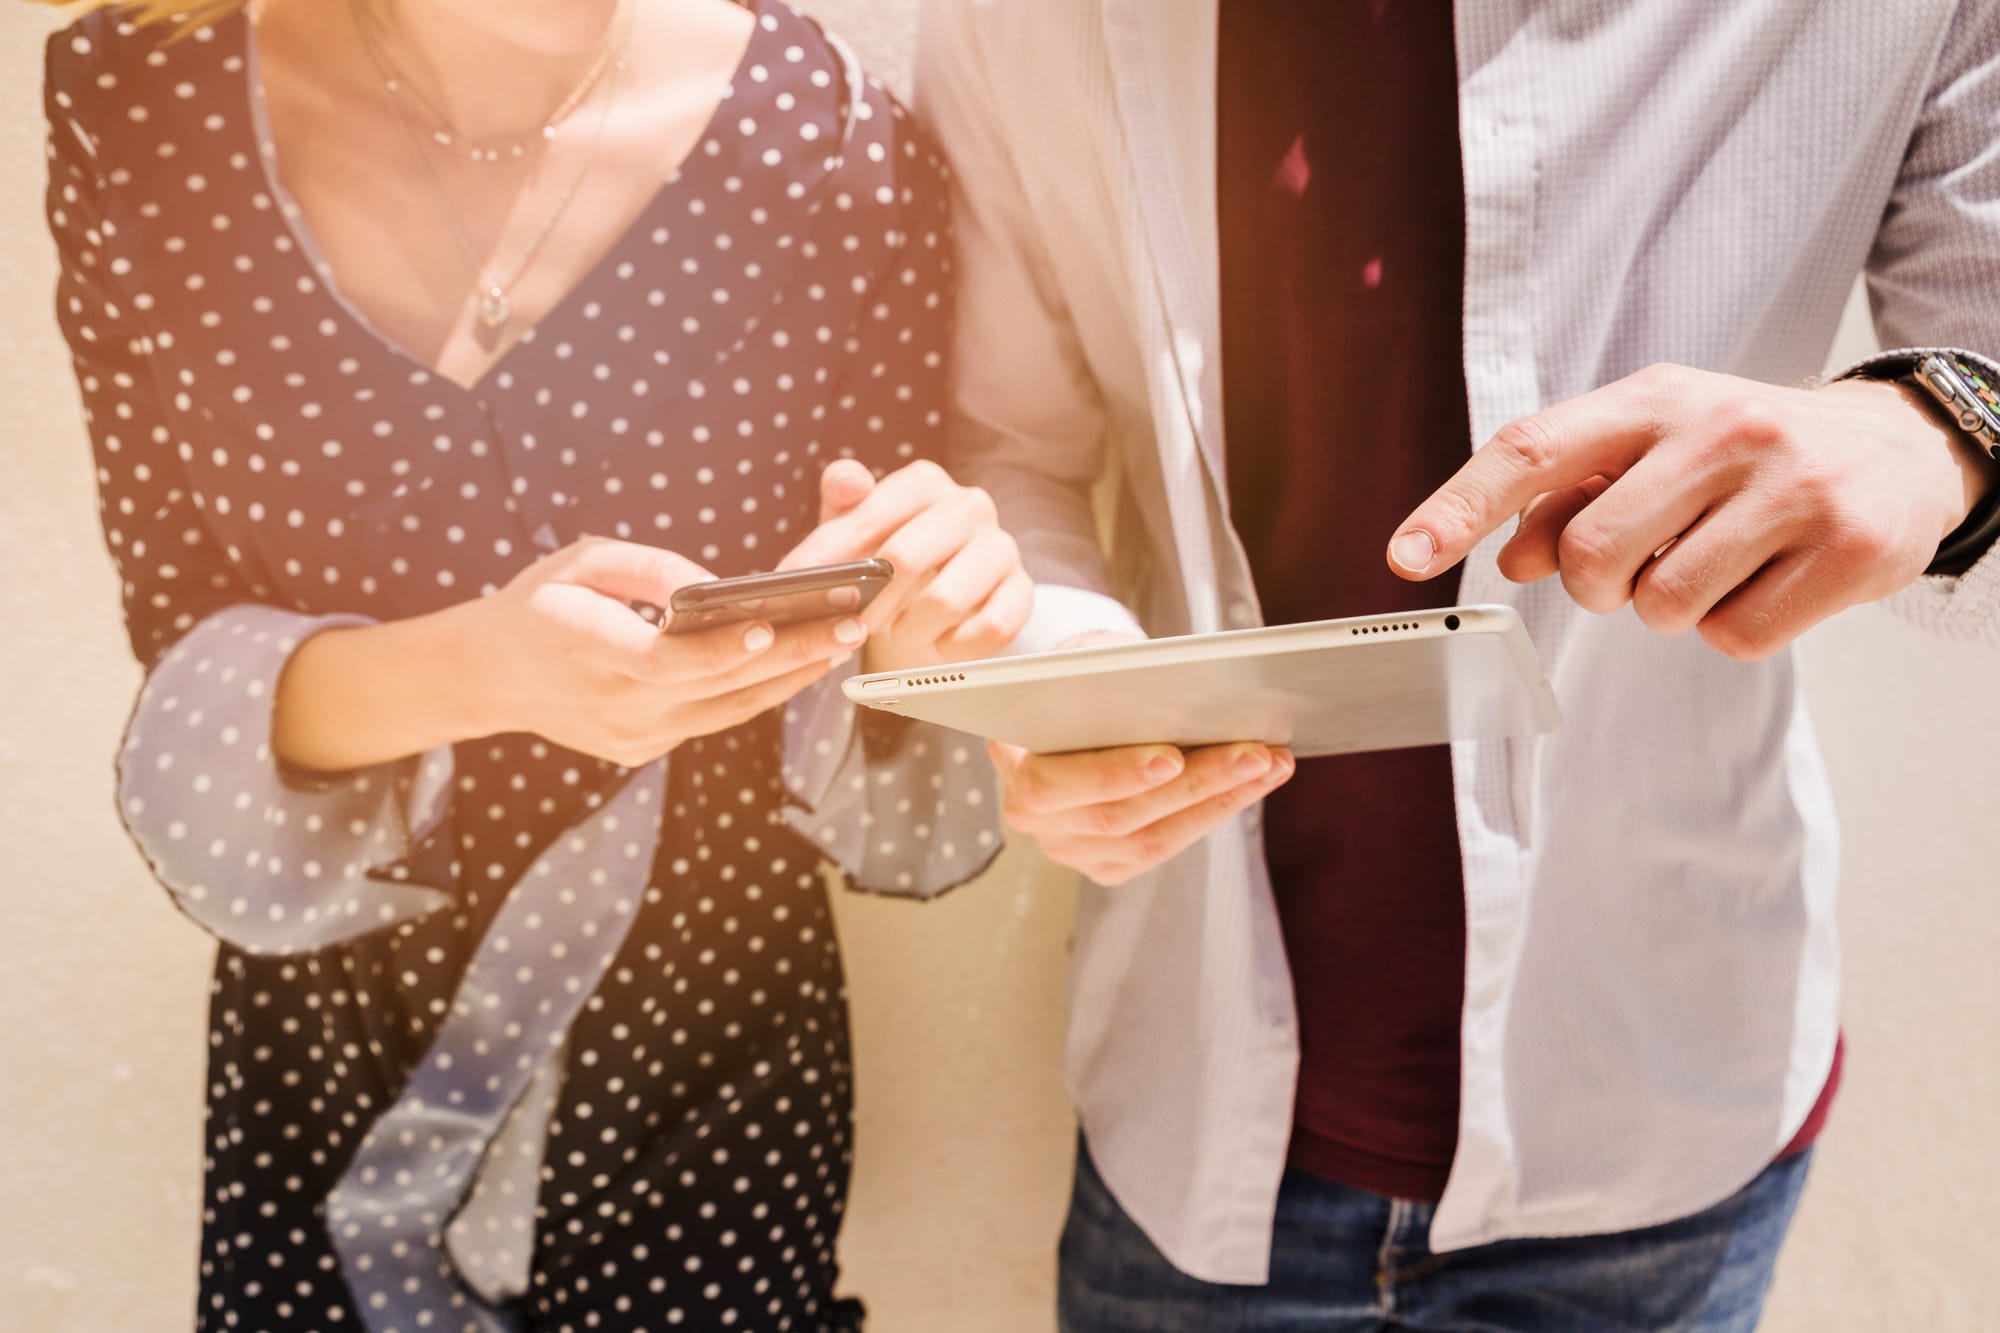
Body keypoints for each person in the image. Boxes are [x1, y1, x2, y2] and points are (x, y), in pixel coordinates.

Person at [915, 1, 2000, 1329]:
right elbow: (1005, 444)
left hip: (1664, 1112)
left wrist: (1938, 433)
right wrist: (1072, 681)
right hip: (1194, 1111)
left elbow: (1981, 346)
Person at [42, 0, 1030, 1328]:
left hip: (708, 1076)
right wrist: (480, 672)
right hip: (331, 1079)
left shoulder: (831, 139)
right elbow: (192, 654)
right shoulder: (140, 102)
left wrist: (932, 632)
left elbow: (888, 705)